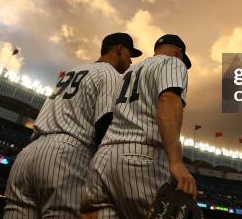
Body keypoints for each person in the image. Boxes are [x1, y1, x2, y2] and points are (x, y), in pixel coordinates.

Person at [4, 33, 142, 219]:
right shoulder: (110, 74)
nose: (131, 60)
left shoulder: (72, 72)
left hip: (27, 155)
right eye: (129, 53)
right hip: (66, 154)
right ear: (119, 48)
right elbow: (105, 124)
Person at [81, 34, 196, 218]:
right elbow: (168, 99)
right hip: (142, 158)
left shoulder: (127, 72)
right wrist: (176, 161)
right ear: (178, 52)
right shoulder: (173, 62)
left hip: (103, 160)